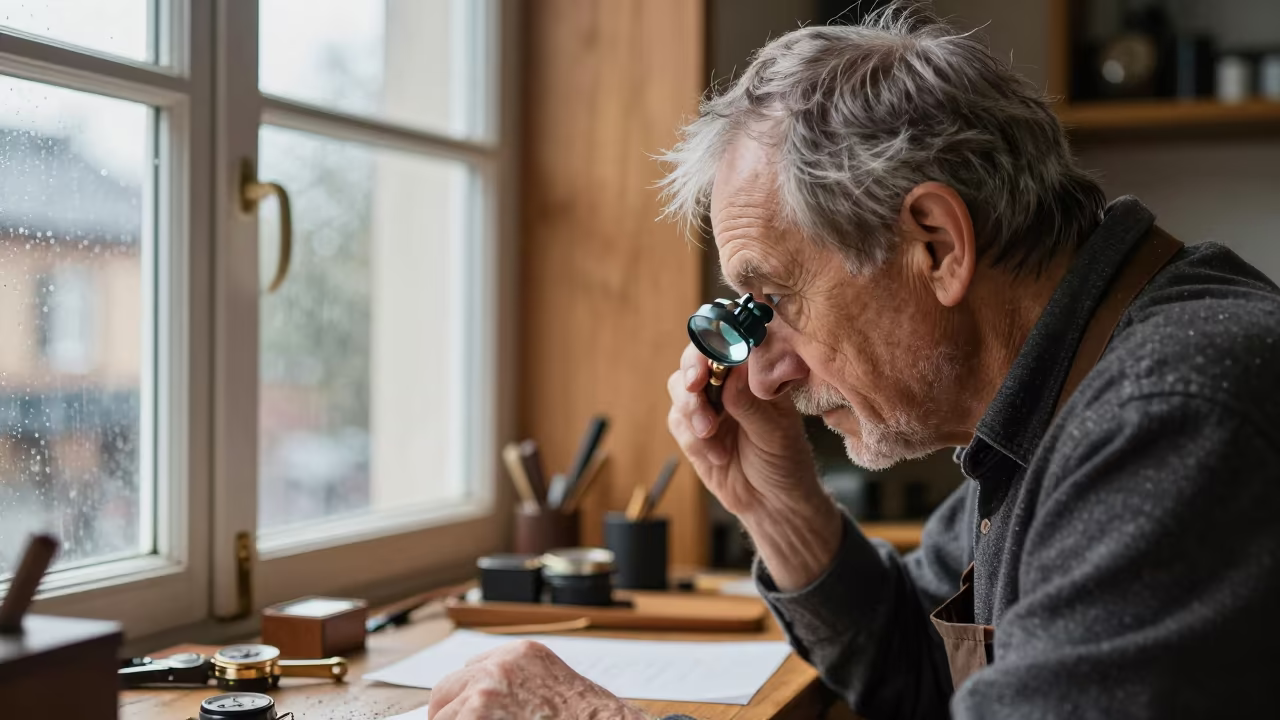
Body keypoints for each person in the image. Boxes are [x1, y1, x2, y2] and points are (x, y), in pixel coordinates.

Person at [428, 4, 1280, 718]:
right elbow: (919, 671)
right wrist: (778, 508)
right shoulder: (1057, 394)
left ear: (936, 245)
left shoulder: (1172, 415)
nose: (762, 373)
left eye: (776, 302)